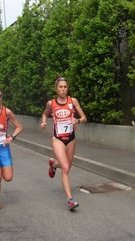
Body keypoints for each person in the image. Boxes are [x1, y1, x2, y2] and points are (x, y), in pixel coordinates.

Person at [40, 76, 87, 210]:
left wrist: (77, 121)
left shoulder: (73, 101)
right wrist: (43, 122)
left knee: (67, 166)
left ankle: (53, 164)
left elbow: (84, 118)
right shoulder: (51, 103)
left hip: (71, 138)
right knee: (65, 168)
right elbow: (44, 114)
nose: (63, 89)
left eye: (65, 87)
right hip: (57, 138)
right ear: (56, 89)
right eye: (60, 87)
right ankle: (70, 199)